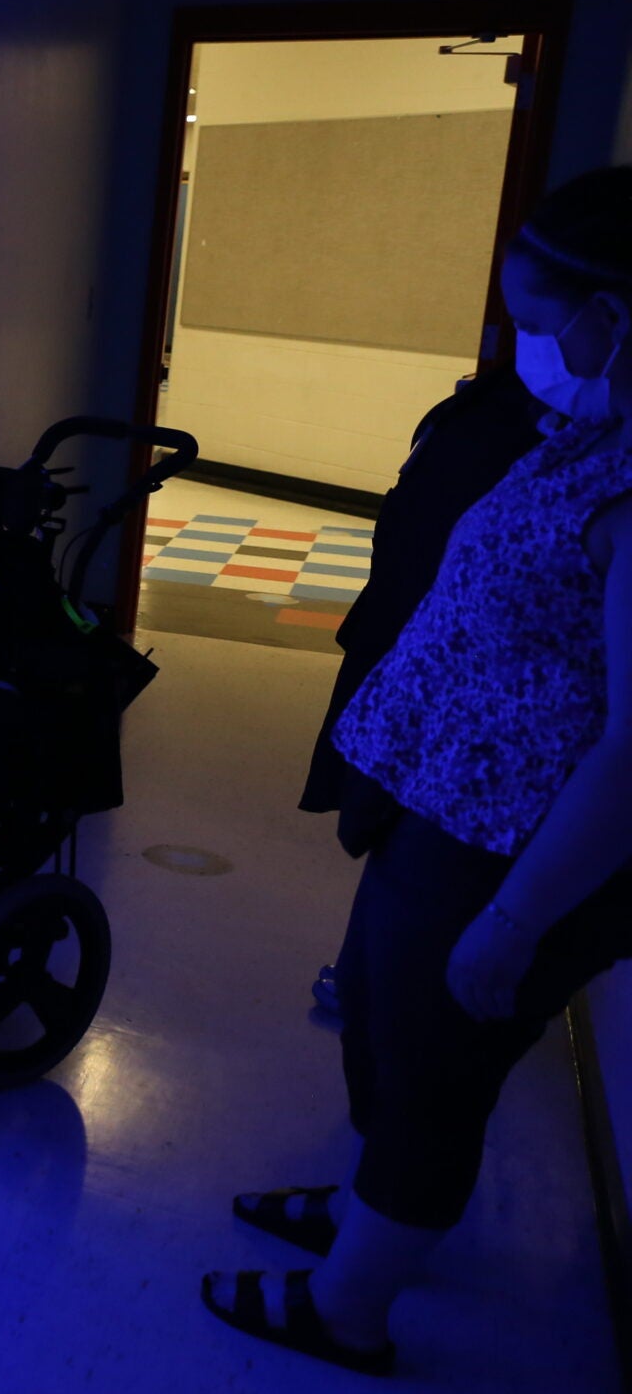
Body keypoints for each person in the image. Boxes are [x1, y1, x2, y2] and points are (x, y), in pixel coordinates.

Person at [204, 166, 632, 1374]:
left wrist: (513, 920)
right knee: (388, 1040)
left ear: (617, 313)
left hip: (512, 849)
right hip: (443, 806)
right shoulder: (589, 436)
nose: (526, 350)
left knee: (434, 1072)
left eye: (543, 325)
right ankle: (367, 1215)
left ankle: (347, 1307)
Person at [296, 366, 547, 1014]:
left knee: (408, 834)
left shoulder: (516, 427)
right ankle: (369, 977)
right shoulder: (501, 421)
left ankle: (375, 978)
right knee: (404, 833)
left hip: (440, 663)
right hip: (426, 656)